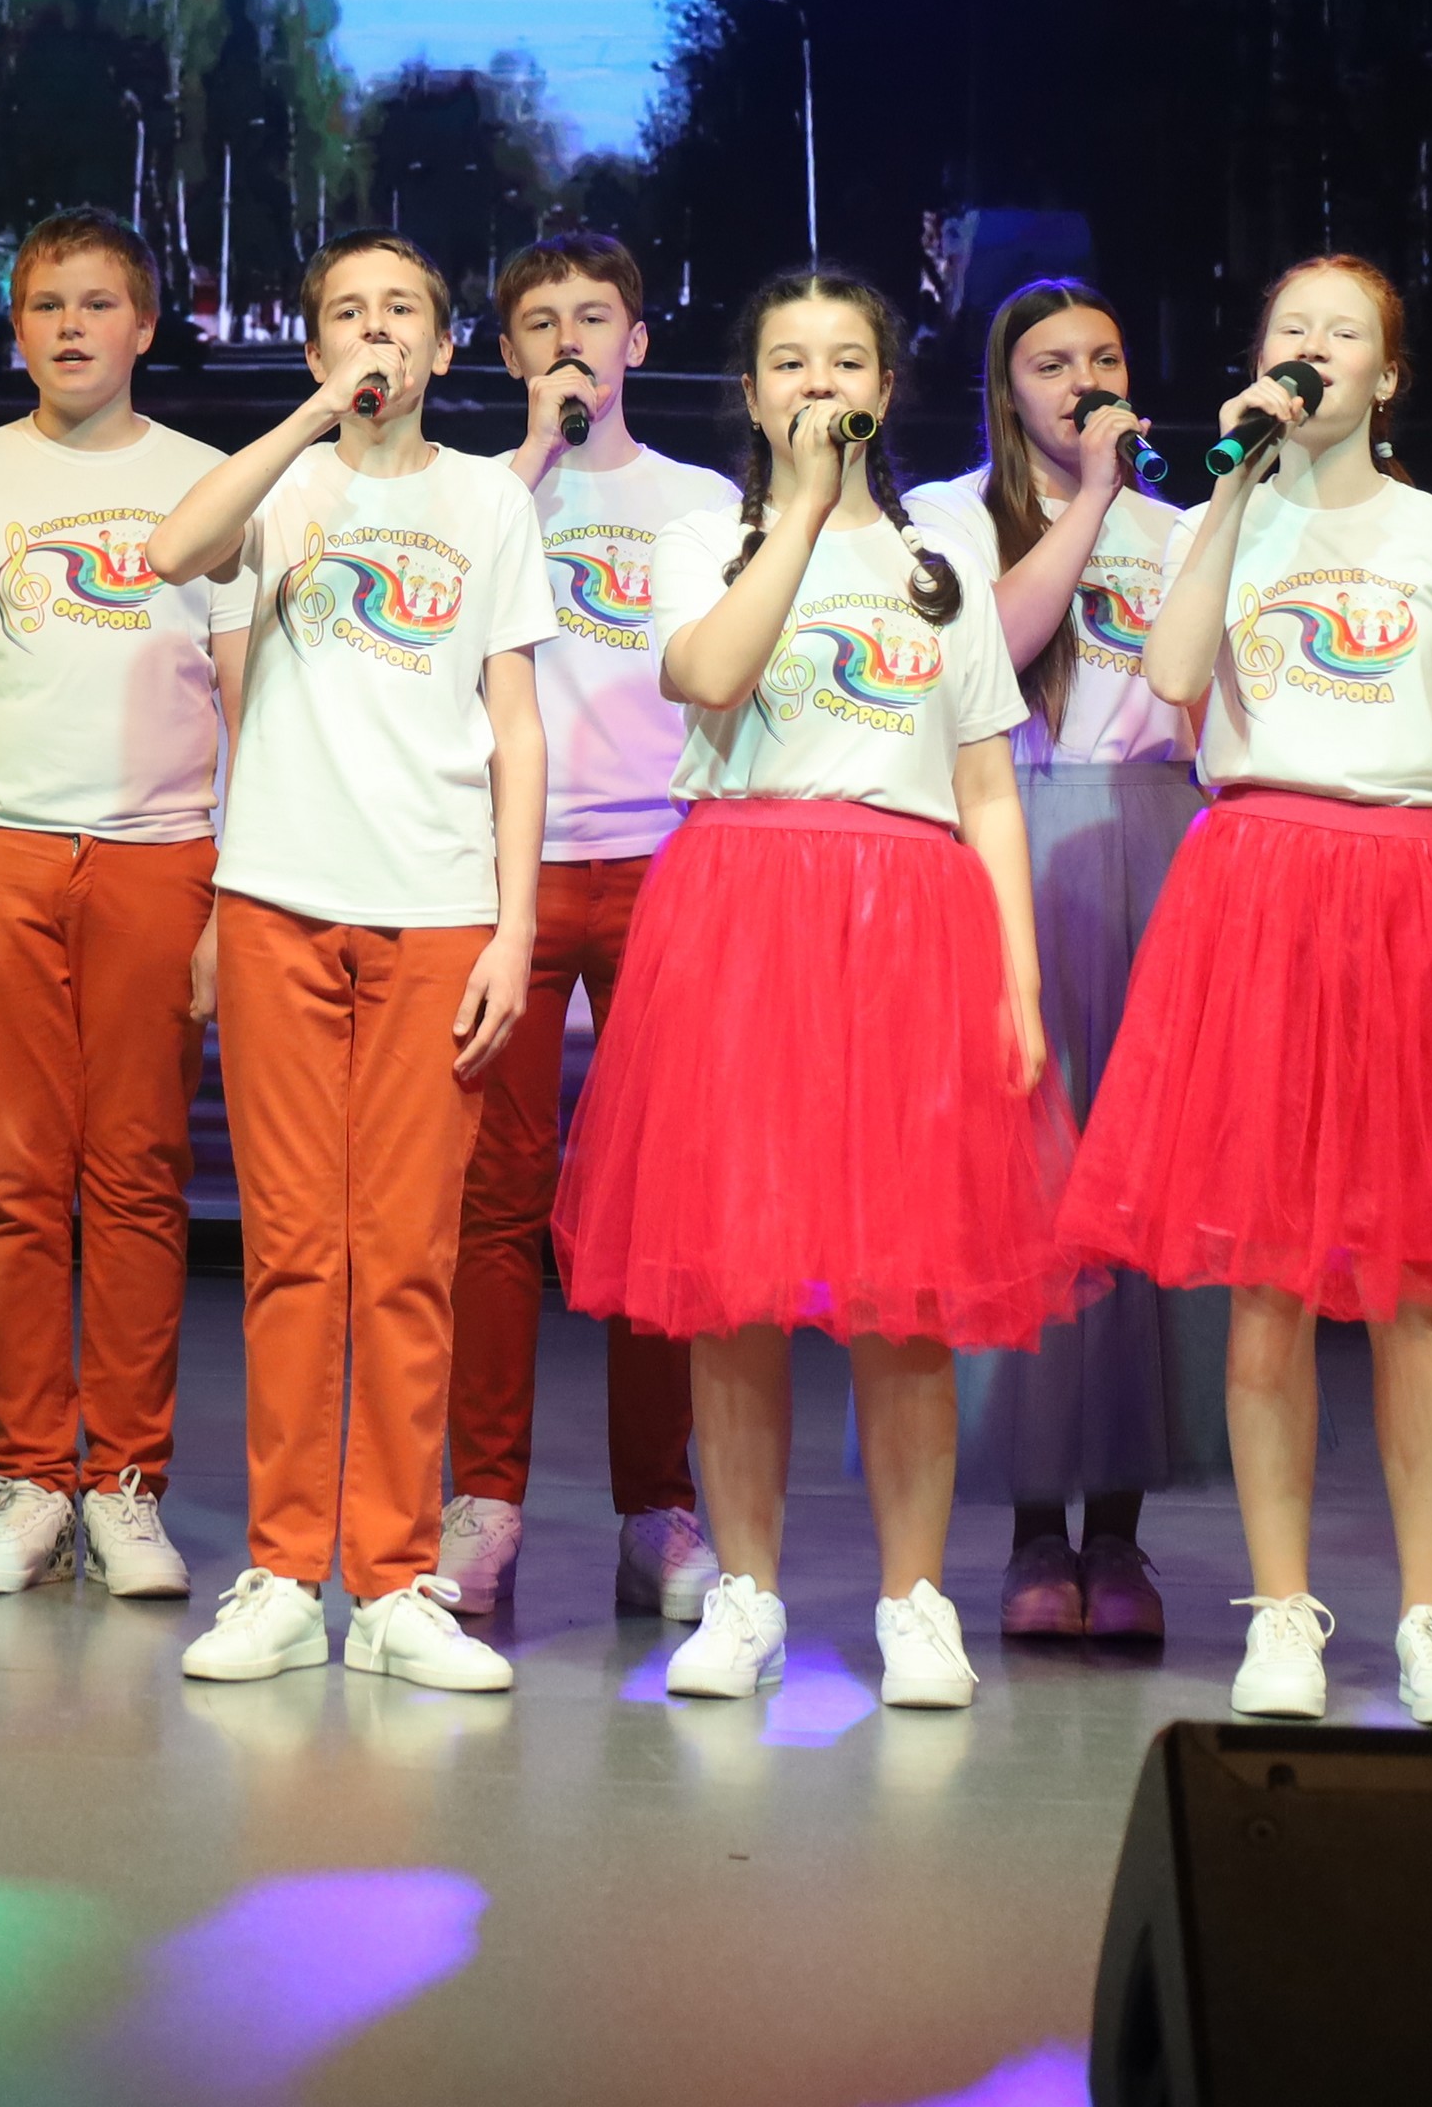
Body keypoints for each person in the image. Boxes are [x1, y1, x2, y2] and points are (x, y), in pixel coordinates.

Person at [1055, 255, 1432, 1730]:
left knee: (1413, 1287)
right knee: (1267, 1285)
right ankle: (1281, 1614)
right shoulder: (1225, 517)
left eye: (1344, 335)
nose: (1315, 349)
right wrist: (1229, 491)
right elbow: (1171, 674)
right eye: (1293, 330)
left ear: (1387, 377)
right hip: (1258, 883)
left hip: (1406, 892)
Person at [555, 270, 1074, 1708]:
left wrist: (1021, 985)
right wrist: (796, 512)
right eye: (789, 361)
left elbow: (987, 785)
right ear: (752, 392)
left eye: (847, 361)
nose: (819, 384)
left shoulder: (941, 562)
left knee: (905, 1292)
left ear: (885, 391)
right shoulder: (701, 539)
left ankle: (917, 1601)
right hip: (741, 912)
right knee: (735, 1287)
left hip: (910, 923)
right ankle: (747, 1593)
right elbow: (710, 676)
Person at [148, 233, 553, 1695]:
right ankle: (279, 1571)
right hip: (280, 897)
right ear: (316, 343)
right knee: (292, 1250)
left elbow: (517, 724)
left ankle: (390, 1582)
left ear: (447, 348)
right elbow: (174, 551)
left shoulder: (488, 502)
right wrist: (314, 418)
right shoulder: (283, 482)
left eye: (402, 314)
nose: (376, 333)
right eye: (346, 315)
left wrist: (513, 925)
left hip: (436, 907)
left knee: (408, 1255)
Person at [0, 212, 250, 1605]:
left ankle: (127, 1483)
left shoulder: (209, 482)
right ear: (17, 325)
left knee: (140, 1176)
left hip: (161, 859)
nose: (73, 326)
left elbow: (254, 707)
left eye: (99, 303)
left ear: (145, 325)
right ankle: (30, 1480)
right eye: (47, 304)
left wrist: (230, 901)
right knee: (14, 1177)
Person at [907, 278, 1224, 1651]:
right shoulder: (943, 518)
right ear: (1005, 383)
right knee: (1022, 1179)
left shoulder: (1189, 527)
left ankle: (1120, 1531)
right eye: (1051, 362)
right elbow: (992, 654)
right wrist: (1089, 499)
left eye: (1105, 355)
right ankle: (1035, 1526)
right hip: (1011, 837)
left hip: (1155, 841)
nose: (1083, 379)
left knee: (1139, 1184)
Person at [461, 230, 730, 1620]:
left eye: (595, 317)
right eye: (541, 322)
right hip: (502, 877)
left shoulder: (702, 501)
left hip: (662, 864)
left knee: (652, 1205)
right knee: (492, 1199)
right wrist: (525, 460)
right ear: (508, 350)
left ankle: (658, 1507)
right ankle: (483, 1500)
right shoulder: (475, 494)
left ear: (638, 340)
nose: (570, 340)